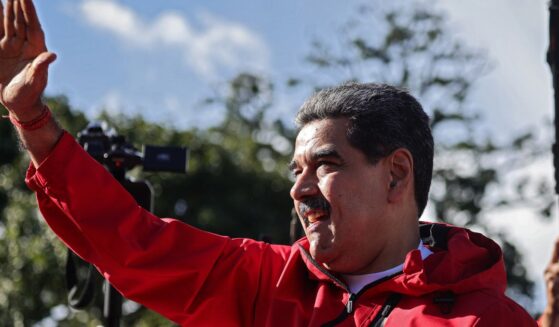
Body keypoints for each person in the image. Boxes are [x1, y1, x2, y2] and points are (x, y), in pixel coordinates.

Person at [0, 0, 538, 325]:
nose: (299, 190)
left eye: (323, 165)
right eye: (294, 171)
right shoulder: (266, 282)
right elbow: (134, 244)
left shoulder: (488, 320)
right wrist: (33, 120)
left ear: (396, 173)